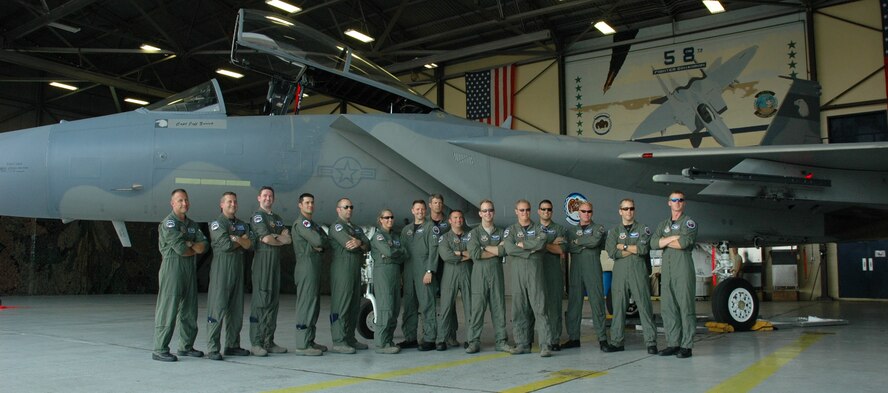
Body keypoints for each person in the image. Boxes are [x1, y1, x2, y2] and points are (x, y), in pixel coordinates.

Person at [152, 189, 208, 362]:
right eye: (180, 200)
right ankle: (160, 348)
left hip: (189, 270)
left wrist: (190, 244)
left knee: (189, 310)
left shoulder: (192, 224)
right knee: (168, 309)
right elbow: (181, 249)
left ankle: (186, 346)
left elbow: (204, 246)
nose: (184, 203)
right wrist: (191, 245)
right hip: (172, 269)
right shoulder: (169, 223)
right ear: (172, 203)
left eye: (186, 200)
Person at [603, 198, 658, 354]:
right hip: (620, 272)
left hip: (638, 271)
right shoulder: (614, 231)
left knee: (644, 306)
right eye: (625, 209)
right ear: (620, 211)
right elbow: (612, 251)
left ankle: (651, 342)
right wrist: (630, 249)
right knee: (618, 307)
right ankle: (616, 341)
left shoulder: (643, 228)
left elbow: (642, 249)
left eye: (631, 208)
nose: (629, 211)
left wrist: (624, 246)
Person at [205, 192, 253, 361]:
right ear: (222, 204)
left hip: (238, 269)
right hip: (222, 269)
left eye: (235, 201)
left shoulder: (241, 224)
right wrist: (240, 240)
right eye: (229, 201)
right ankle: (212, 347)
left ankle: (232, 345)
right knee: (217, 307)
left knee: (236, 309)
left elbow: (249, 244)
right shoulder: (217, 224)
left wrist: (236, 239)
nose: (233, 204)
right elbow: (225, 245)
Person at [651, 191, 698, 359]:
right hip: (668, 272)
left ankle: (686, 345)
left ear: (684, 203)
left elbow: (684, 243)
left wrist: (666, 240)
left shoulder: (689, 222)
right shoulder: (663, 224)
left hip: (683, 269)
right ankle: (673, 343)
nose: (677, 202)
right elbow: (654, 243)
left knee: (685, 307)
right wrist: (673, 238)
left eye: (680, 200)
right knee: (668, 308)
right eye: (674, 200)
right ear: (668, 203)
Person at [504, 199, 553, 358]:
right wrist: (530, 251)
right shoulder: (511, 230)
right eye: (521, 210)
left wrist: (523, 245)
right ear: (516, 211)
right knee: (519, 308)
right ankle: (522, 344)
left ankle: (545, 344)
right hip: (518, 274)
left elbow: (541, 244)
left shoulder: (539, 228)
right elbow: (509, 248)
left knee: (540, 307)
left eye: (527, 210)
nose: (524, 213)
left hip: (534, 273)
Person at [249, 186, 292, 357]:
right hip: (262, 262)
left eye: (270, 196)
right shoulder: (257, 217)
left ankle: (269, 340)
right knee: (261, 301)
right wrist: (278, 237)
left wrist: (276, 238)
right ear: (259, 198)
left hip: (275, 263)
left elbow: (288, 239)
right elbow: (265, 238)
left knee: (273, 302)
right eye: (264, 196)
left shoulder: (278, 219)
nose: (268, 198)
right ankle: (256, 342)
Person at [465, 200, 511, 354]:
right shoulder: (474, 233)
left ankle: (501, 341)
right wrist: (495, 250)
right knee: (477, 308)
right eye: (484, 211)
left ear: (494, 212)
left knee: (499, 307)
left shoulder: (502, 232)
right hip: (479, 275)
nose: (487, 213)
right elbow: (475, 254)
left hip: (496, 274)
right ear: (480, 213)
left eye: (490, 210)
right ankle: (473, 342)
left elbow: (505, 251)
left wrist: (485, 247)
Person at [563, 201, 609, 351]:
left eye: (589, 212)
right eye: (583, 211)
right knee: (574, 305)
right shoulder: (570, 231)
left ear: (592, 213)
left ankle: (602, 338)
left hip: (593, 269)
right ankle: (574, 337)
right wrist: (584, 243)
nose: (586, 214)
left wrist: (578, 242)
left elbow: (595, 241)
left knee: (597, 303)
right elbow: (569, 247)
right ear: (578, 213)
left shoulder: (598, 228)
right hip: (576, 270)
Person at [328, 198, 370, 354]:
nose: (349, 209)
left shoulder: (356, 229)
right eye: (346, 207)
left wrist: (359, 243)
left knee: (353, 305)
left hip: (355, 270)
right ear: (338, 209)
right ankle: (339, 340)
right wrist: (360, 244)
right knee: (341, 305)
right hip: (342, 271)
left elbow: (367, 245)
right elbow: (349, 246)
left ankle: (350, 338)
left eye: (351, 207)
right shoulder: (337, 227)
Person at [291, 193, 330, 356]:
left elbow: (326, 241)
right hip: (306, 266)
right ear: (300, 205)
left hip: (314, 266)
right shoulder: (301, 223)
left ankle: (309, 340)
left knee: (314, 304)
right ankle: (302, 344)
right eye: (306, 202)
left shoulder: (312, 224)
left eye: (312, 202)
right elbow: (319, 241)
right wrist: (318, 244)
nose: (310, 205)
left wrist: (319, 244)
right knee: (306, 304)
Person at [399, 200, 439, 351]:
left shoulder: (431, 228)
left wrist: (430, 271)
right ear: (412, 211)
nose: (420, 212)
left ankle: (429, 339)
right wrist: (402, 274)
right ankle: (410, 338)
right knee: (409, 306)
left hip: (424, 272)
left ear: (425, 211)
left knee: (427, 305)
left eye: (422, 209)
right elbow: (402, 252)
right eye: (417, 209)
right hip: (409, 273)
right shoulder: (406, 230)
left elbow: (434, 251)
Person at [368, 209, 405, 354]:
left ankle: (388, 340)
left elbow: (404, 254)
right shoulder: (378, 237)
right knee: (386, 308)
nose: (390, 220)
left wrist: (394, 253)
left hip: (395, 273)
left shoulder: (395, 236)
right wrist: (395, 252)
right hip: (383, 274)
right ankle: (381, 343)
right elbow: (390, 252)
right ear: (380, 220)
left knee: (395, 308)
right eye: (386, 217)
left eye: (392, 217)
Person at [435, 210, 472, 351]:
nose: (458, 220)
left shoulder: (470, 236)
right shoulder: (444, 238)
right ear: (450, 221)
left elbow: (474, 252)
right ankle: (441, 339)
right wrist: (464, 254)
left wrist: (457, 253)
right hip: (450, 274)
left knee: (470, 307)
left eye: (461, 217)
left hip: (467, 273)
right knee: (446, 308)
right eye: (455, 218)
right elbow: (446, 256)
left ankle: (471, 339)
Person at [429, 193, 459, 347]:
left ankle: (450, 335)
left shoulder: (449, 222)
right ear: (430, 205)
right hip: (430, 266)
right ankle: (429, 335)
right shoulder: (426, 224)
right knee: (427, 302)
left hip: (447, 266)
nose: (438, 205)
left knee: (449, 303)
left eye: (440, 202)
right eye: (435, 202)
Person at [538, 200, 568, 351]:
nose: (546, 212)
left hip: (554, 272)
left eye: (549, 209)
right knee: (537, 307)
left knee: (555, 307)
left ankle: (554, 339)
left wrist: (541, 244)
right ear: (538, 211)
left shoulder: (559, 229)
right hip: (536, 272)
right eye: (543, 209)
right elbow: (528, 247)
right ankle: (540, 338)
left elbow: (560, 250)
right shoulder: (532, 228)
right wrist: (551, 242)